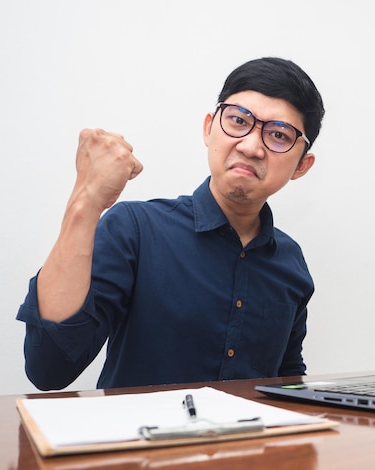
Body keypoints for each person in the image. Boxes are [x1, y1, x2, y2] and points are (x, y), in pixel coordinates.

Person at [17, 57, 325, 390]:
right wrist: (86, 201)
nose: (250, 146)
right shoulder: (134, 229)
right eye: (238, 121)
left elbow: (288, 378)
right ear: (209, 128)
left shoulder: (291, 261)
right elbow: (48, 369)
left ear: (301, 166)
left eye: (278, 135)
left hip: (252, 442)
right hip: (138, 441)